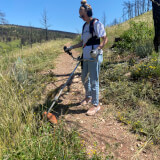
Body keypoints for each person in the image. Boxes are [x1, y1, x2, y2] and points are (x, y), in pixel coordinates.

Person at [65, 0, 108, 116]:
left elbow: (105, 39)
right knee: (84, 78)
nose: (81, 17)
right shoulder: (84, 26)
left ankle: (96, 105)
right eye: (80, 16)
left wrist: (98, 49)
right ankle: (88, 97)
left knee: (94, 80)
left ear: (88, 13)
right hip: (86, 57)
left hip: (94, 56)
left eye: (82, 15)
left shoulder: (96, 23)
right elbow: (82, 43)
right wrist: (71, 47)